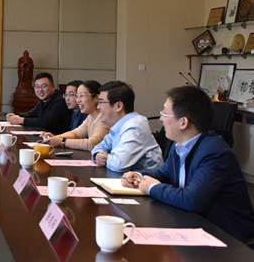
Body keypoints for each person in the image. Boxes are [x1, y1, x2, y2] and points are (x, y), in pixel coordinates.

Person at [122, 86, 254, 244]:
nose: (161, 118)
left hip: (229, 239)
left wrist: (151, 187)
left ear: (183, 122)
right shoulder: (179, 144)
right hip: (194, 226)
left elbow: (191, 200)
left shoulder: (214, 152)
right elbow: (164, 173)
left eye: (165, 113)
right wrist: (138, 176)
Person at [91, 81, 162, 172]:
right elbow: (99, 147)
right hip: (127, 178)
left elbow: (118, 164)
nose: (98, 107)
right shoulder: (119, 125)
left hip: (144, 179)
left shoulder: (135, 126)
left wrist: (105, 157)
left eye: (101, 102)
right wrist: (97, 154)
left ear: (118, 106)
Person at [41, 80, 109, 151]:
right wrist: (55, 138)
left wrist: (62, 141)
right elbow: (76, 133)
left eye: (81, 96)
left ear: (96, 98)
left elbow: (91, 144)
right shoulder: (90, 116)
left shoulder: (105, 118)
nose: (78, 100)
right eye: (77, 96)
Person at [6, 72, 71, 135]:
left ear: (53, 87)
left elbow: (46, 123)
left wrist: (21, 120)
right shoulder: (43, 101)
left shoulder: (60, 101)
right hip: (45, 136)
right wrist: (14, 115)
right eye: (37, 87)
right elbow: (31, 114)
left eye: (44, 86)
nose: (40, 90)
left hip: (57, 139)